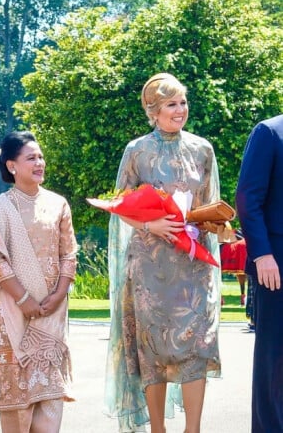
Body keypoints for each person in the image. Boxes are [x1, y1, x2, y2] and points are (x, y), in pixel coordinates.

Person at [105, 73, 222, 433]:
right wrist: (149, 226)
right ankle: (157, 429)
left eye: (183, 102)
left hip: (192, 265)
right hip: (149, 269)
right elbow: (118, 205)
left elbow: (209, 203)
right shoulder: (136, 151)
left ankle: (194, 429)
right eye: (172, 104)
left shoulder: (203, 149)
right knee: (152, 350)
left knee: (197, 346)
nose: (180, 110)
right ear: (153, 111)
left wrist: (218, 223)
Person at [0, 131, 78, 433]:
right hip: (12, 314)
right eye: (31, 157)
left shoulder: (59, 204)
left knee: (49, 398)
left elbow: (68, 253)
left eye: (41, 157)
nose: (40, 162)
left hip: (51, 313)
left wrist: (58, 294)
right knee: (18, 403)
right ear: (12, 166)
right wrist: (23, 300)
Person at [235, 114, 283, 432]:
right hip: (276, 264)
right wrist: (262, 253)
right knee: (274, 357)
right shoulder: (269, 132)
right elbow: (247, 198)